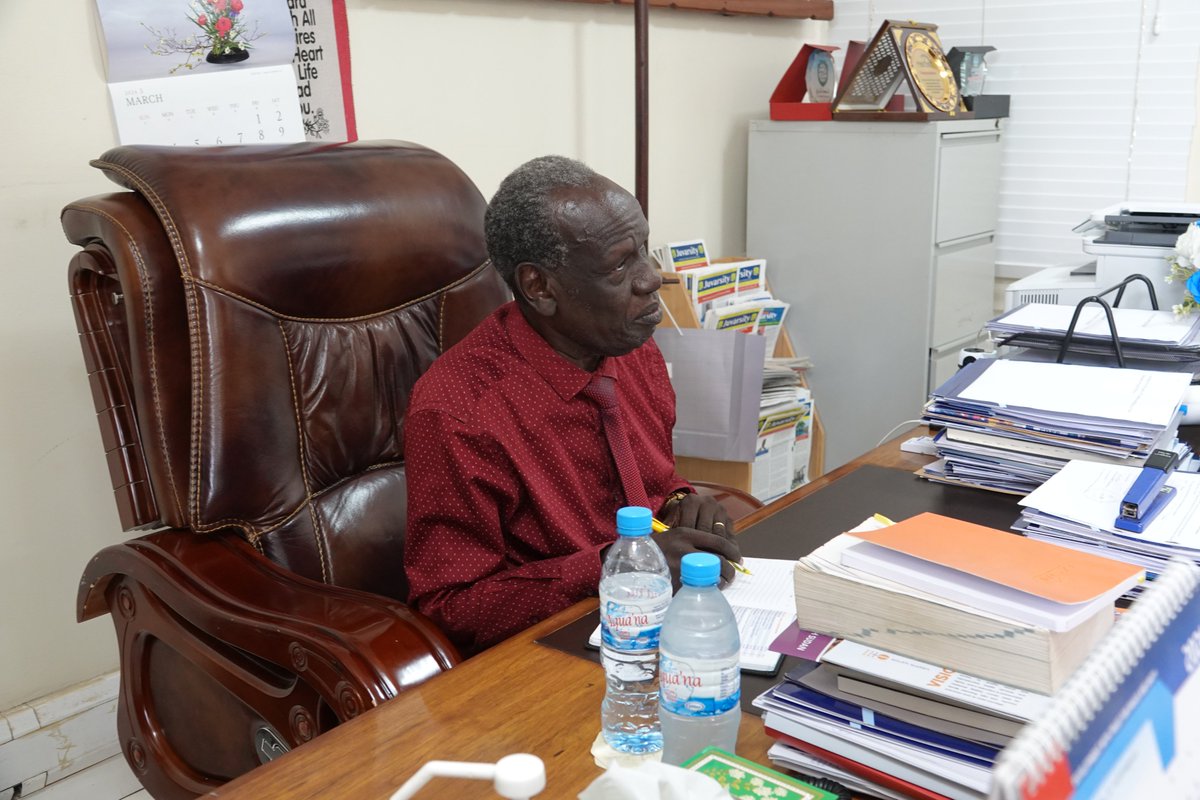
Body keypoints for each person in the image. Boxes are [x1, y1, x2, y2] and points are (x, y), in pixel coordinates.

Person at [403, 155, 741, 656]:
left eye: (645, 249)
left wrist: (680, 503)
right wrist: (615, 566)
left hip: (663, 621)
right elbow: (451, 606)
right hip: (552, 649)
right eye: (621, 264)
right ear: (539, 287)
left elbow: (651, 483)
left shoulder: (631, 345)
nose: (652, 279)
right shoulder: (458, 412)